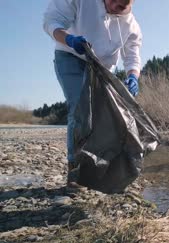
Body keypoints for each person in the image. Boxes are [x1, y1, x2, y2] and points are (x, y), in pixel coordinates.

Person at [43, 0, 142, 176]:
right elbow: (51, 22)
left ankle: (102, 165)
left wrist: (133, 76)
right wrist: (68, 39)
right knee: (80, 109)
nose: (112, 7)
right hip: (70, 56)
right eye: (111, 0)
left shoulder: (131, 25)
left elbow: (132, 56)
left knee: (103, 114)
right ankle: (76, 169)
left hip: (101, 67)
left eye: (121, 6)